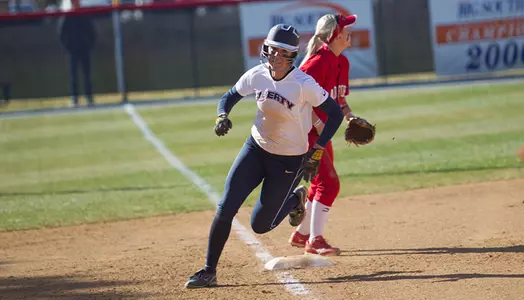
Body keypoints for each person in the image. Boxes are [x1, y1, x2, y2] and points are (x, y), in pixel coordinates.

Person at [184, 24, 344, 289]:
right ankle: (208, 271)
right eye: (271, 50)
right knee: (226, 207)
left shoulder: (303, 84)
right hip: (255, 149)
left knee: (260, 225)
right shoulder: (258, 75)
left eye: (282, 52)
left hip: (289, 159)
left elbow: (334, 114)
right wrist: (222, 115)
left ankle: (295, 199)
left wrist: (319, 148)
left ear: (292, 56)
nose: (275, 57)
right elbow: (228, 97)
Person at [288, 13, 361, 256]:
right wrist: (320, 126)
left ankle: (301, 234)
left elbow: (339, 99)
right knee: (329, 184)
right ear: (334, 35)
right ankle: (315, 240)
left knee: (319, 184)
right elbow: (298, 102)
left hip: (322, 133)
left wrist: (351, 117)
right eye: (345, 28)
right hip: (307, 133)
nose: (349, 32)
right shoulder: (316, 63)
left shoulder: (343, 62)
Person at [58, 0, 96, 107]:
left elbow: (92, 31)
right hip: (73, 51)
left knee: (87, 75)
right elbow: (62, 33)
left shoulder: (84, 15)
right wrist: (68, 47)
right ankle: (74, 98)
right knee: (73, 76)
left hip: (84, 49)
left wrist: (89, 45)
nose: (76, 3)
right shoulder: (68, 15)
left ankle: (88, 97)